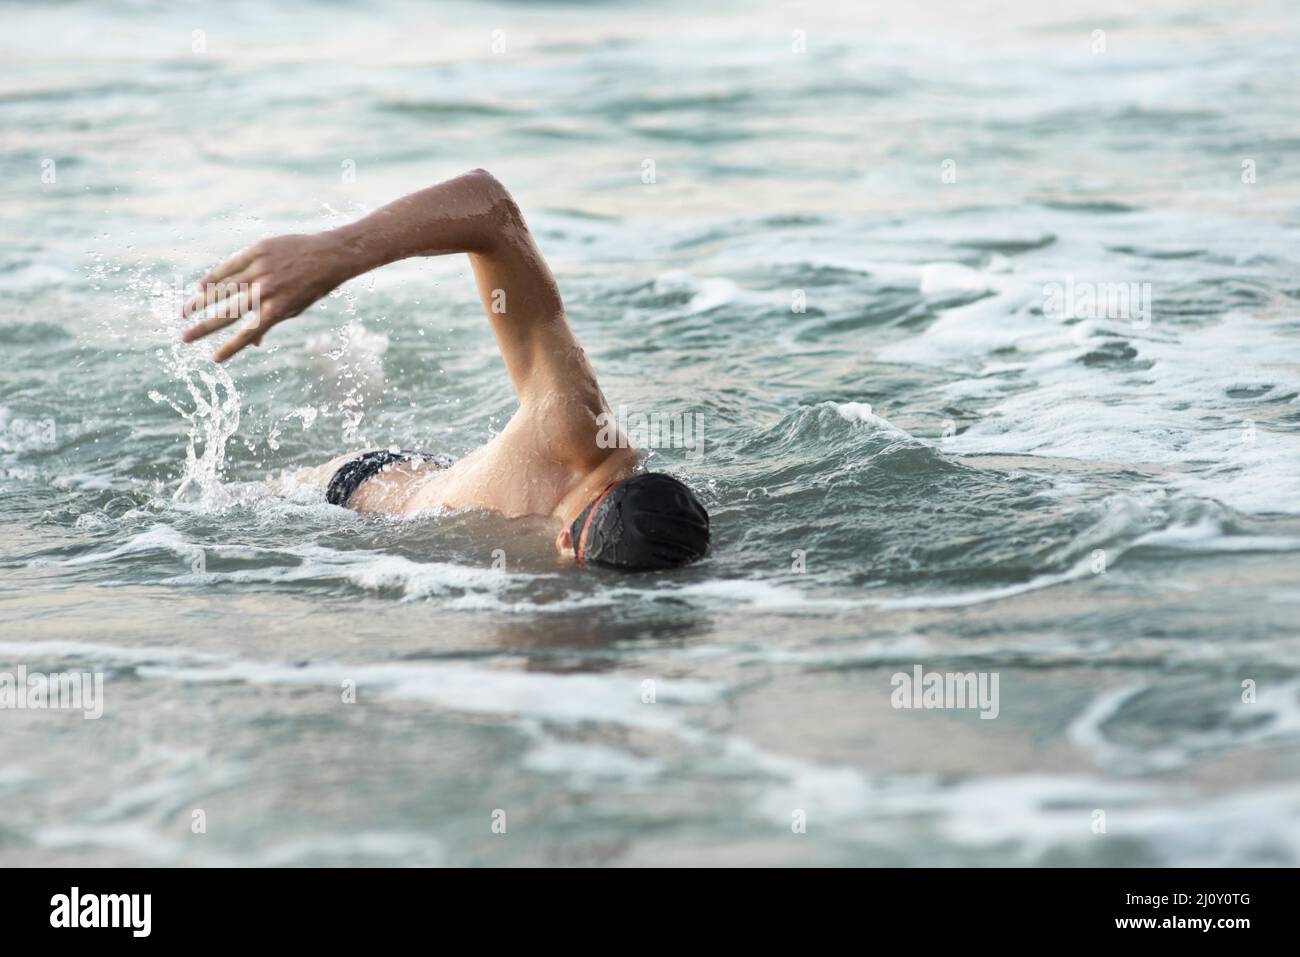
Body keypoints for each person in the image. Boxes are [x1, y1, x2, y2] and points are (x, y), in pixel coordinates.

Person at [179, 169, 709, 570]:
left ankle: (352, 376)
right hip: (350, 495)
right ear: (566, 542)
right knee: (203, 515)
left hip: (456, 491)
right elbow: (488, 205)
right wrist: (337, 253)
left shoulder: (663, 526)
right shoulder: (575, 423)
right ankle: (339, 364)